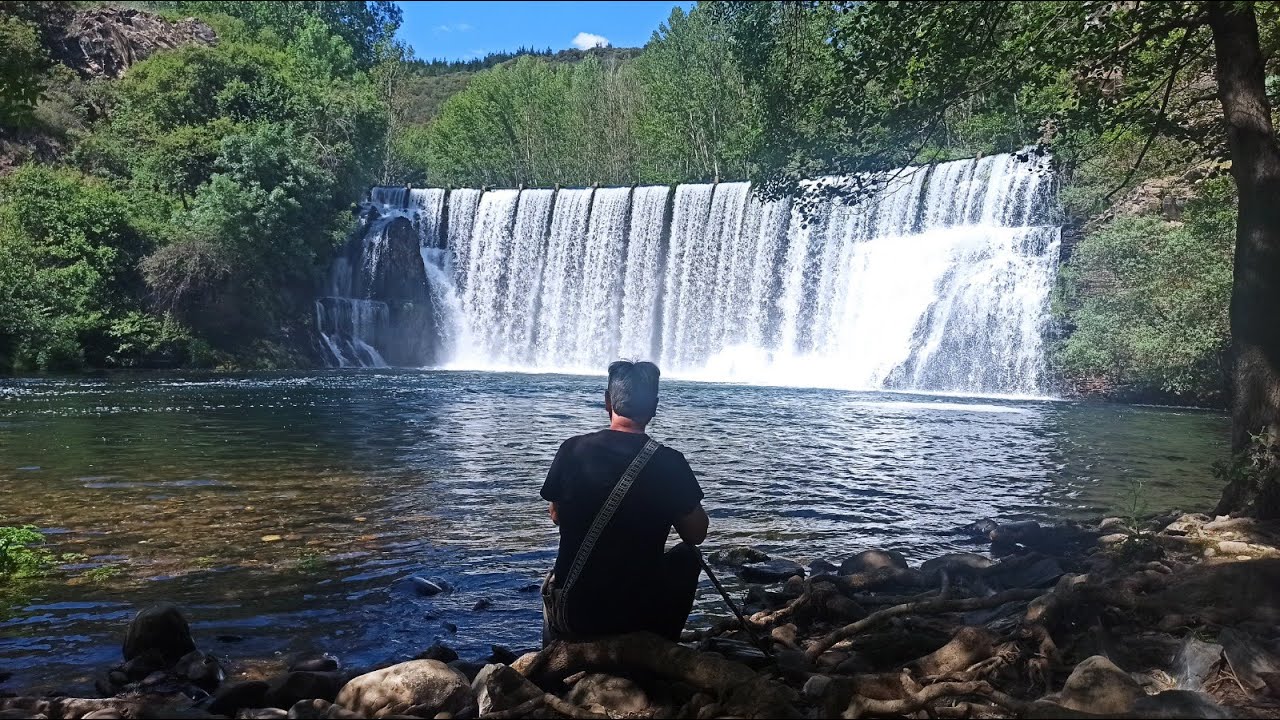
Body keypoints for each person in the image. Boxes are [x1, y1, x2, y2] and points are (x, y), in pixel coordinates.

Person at [540, 360, 709, 644]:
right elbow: (696, 533)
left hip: (576, 614)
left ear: (607, 402)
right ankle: (660, 645)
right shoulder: (670, 463)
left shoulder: (572, 449)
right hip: (640, 618)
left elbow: (556, 514)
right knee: (688, 556)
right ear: (654, 407)